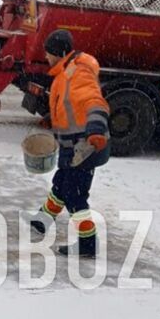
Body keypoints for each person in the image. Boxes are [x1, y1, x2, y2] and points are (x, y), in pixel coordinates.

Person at [28, 30, 110, 257]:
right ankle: (42, 221)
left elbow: (95, 101)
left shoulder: (77, 73)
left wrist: (95, 131)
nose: (46, 57)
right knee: (62, 183)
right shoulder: (66, 72)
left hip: (85, 147)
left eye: (49, 53)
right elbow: (71, 105)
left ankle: (87, 245)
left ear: (60, 53)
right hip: (72, 147)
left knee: (74, 196)